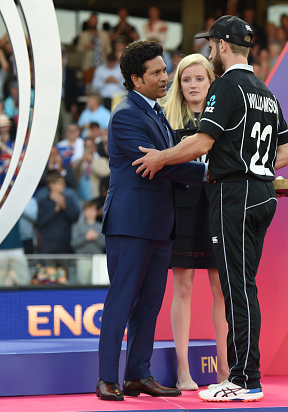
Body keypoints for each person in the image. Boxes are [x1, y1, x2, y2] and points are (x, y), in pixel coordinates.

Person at [133, 16, 288, 402]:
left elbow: (202, 142)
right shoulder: (265, 91)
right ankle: (244, 375)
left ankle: (243, 379)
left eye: (211, 44)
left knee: (236, 287)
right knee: (243, 286)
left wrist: (161, 158)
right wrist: (256, 165)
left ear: (222, 45)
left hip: (234, 195)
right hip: (263, 195)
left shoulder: (225, 85)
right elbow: (287, 152)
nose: (209, 51)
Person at [96, 40, 206, 402]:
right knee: (122, 300)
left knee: (150, 304)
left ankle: (137, 376)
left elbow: (171, 156)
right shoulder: (126, 115)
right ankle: (106, 379)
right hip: (131, 225)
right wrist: (209, 170)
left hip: (158, 225)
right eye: (157, 72)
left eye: (164, 69)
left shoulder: (156, 113)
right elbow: (160, 165)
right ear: (136, 79)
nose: (165, 77)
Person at [159, 53, 228, 390]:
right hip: (182, 212)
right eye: (186, 80)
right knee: (182, 287)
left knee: (221, 289)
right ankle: (183, 371)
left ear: (211, 82)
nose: (193, 85)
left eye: (199, 79)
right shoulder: (167, 122)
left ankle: (225, 371)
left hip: (216, 210)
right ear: (179, 84)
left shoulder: (225, 120)